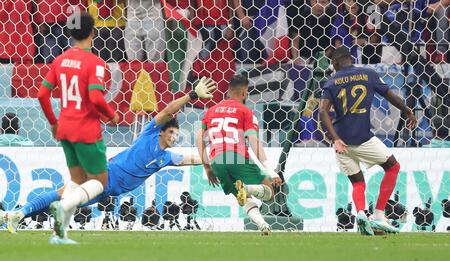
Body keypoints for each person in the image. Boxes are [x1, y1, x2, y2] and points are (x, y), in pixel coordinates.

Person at [1, 77, 217, 241]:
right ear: (162, 132)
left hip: (108, 190)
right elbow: (169, 111)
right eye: (171, 133)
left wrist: (216, 159)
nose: (174, 137)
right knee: (63, 194)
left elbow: (193, 158)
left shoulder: (166, 157)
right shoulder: (150, 132)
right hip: (104, 175)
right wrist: (192, 96)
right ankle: (20, 214)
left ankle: (14, 216)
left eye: (176, 136)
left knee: (64, 203)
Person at [36, 11, 120, 244]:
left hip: (64, 128)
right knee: (100, 183)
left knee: (78, 180)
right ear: (93, 32)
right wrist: (112, 116)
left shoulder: (59, 60)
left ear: (70, 33)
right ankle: (63, 205)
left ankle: (58, 234)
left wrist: (53, 123)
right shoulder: (96, 63)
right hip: (86, 130)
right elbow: (95, 96)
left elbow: (42, 94)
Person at [318, 47, 417, 236]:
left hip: (342, 142)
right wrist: (407, 110)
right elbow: (390, 95)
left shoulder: (331, 82)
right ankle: (379, 214)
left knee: (357, 183)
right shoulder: (368, 74)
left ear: (336, 62)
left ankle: (362, 213)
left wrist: (336, 139)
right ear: (351, 59)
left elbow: (322, 111)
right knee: (392, 167)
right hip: (363, 139)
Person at [197, 74, 282, 236]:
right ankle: (247, 187)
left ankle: (263, 225)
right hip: (236, 156)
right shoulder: (245, 111)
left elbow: (198, 138)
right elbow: (253, 141)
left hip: (216, 160)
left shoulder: (211, 111)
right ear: (245, 93)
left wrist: (207, 167)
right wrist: (270, 170)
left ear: (228, 92)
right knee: (269, 193)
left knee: (242, 197)